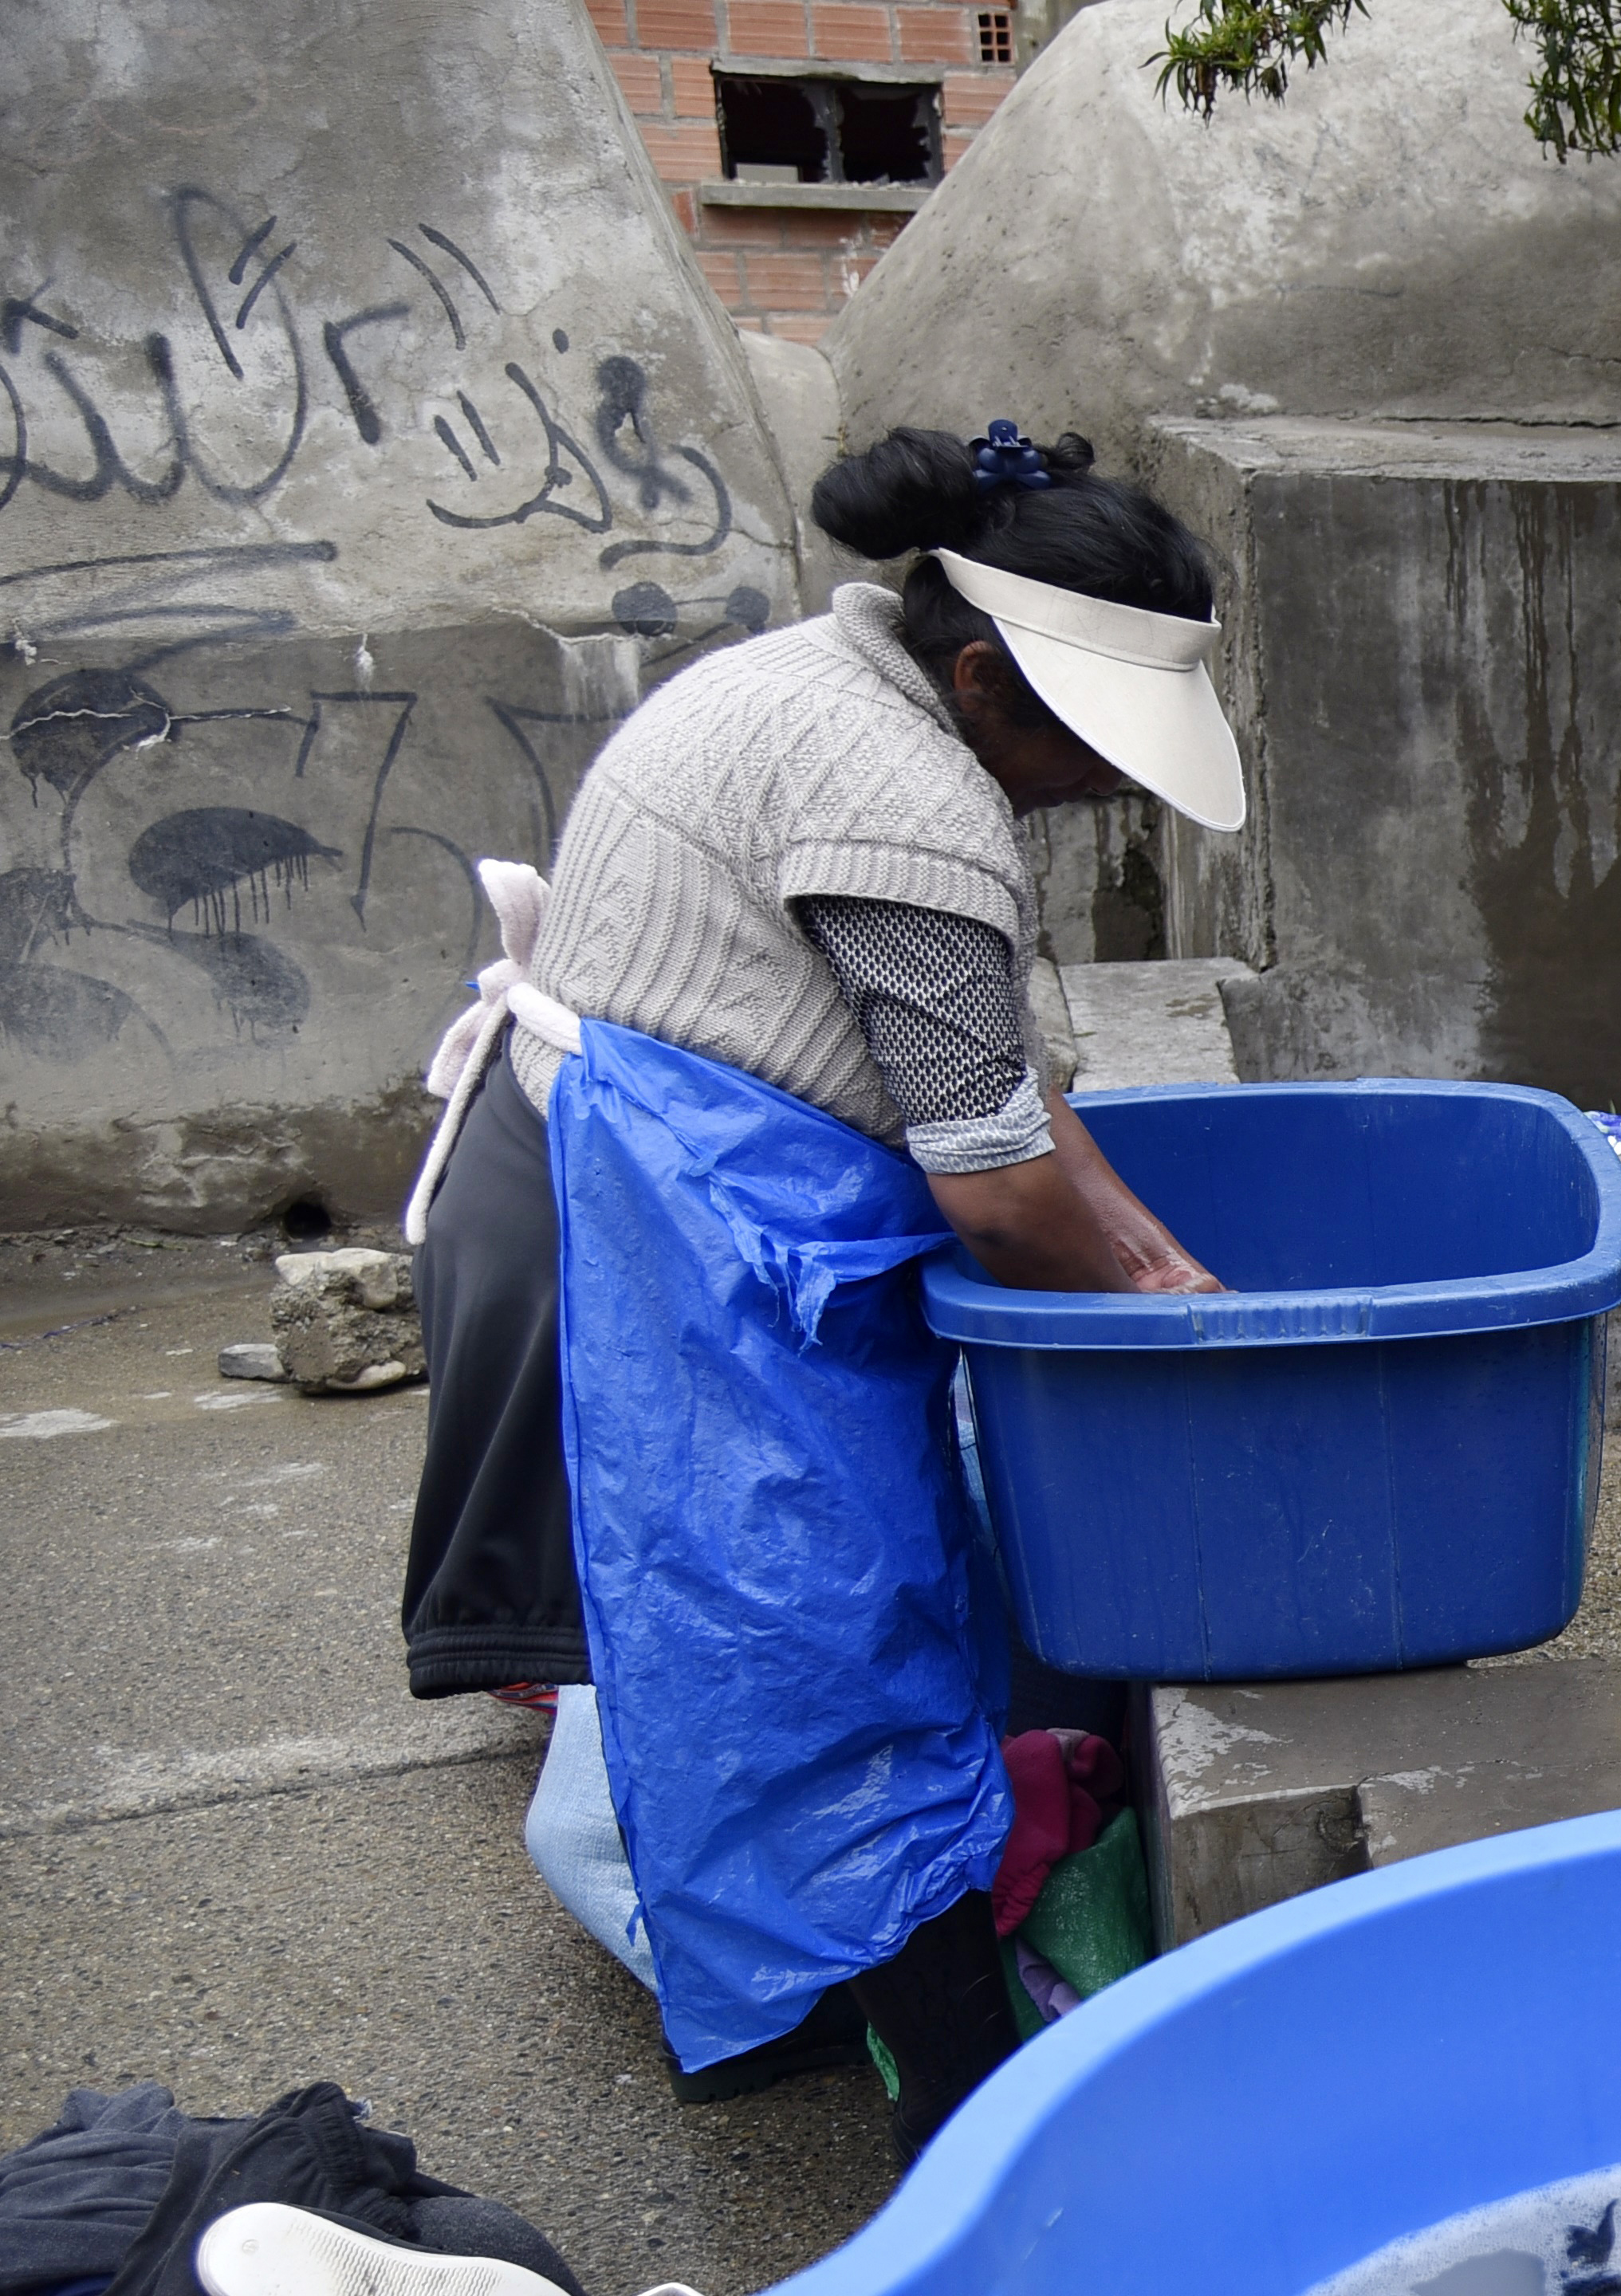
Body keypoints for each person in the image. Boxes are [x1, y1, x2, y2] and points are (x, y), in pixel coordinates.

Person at [396, 421, 1239, 2159]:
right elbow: (997, 1185)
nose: (1111, 792)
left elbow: (992, 1080)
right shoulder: (901, 795)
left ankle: (768, 2024)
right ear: (988, 672)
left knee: (730, 1652)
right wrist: (1200, 1337)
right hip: (649, 1235)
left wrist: (1168, 1267)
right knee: (823, 1666)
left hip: (659, 1183)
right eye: (1096, 750)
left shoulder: (828, 684)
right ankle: (970, 2133)